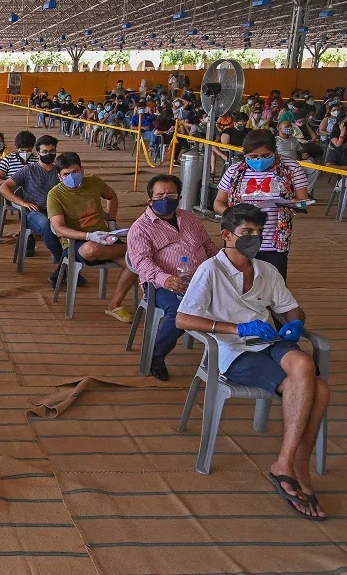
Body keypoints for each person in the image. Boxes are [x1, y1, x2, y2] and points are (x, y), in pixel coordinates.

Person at [176, 203, 329, 521]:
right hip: (233, 351)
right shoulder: (210, 271)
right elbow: (183, 319)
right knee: (321, 390)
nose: (254, 239)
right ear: (227, 235)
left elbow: (292, 309)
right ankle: (296, 465)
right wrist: (236, 328)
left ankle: (286, 463)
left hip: (269, 342)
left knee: (305, 367)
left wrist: (296, 323)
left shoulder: (266, 271)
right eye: (247, 233)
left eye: (259, 233)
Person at [127, 175, 218, 381]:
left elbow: (208, 245)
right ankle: (155, 357)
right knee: (179, 311)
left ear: (180, 197)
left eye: (171, 195)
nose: (165, 198)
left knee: (234, 299)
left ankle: (229, 357)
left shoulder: (189, 218)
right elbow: (142, 263)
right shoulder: (140, 228)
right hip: (162, 284)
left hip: (200, 278)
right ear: (150, 200)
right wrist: (165, 278)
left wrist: (222, 265)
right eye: (160, 195)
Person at [47, 152, 138, 322]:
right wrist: (89, 235)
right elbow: (59, 229)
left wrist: (111, 220)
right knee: (91, 249)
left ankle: (114, 305)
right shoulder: (55, 195)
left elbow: (112, 196)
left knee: (134, 264)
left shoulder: (94, 182)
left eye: (75, 172)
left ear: (82, 170)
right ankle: (136, 248)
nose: (71, 177)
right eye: (66, 174)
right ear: (59, 177)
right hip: (77, 242)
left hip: (106, 237)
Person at [213, 128, 308, 281]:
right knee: (238, 286)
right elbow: (218, 203)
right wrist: (233, 214)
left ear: (274, 151)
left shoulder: (291, 168)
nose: (259, 161)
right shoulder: (234, 171)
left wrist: (291, 205)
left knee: (273, 288)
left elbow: (303, 202)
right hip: (240, 240)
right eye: (252, 157)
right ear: (245, 154)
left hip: (274, 243)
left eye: (265, 156)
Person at [0, 135, 65, 264]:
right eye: (45, 152)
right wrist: (23, 203)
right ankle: (65, 263)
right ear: (38, 153)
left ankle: (64, 266)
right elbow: (3, 188)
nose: (49, 154)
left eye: (52, 151)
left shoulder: (60, 171)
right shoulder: (28, 170)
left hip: (57, 211)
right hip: (34, 213)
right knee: (46, 224)